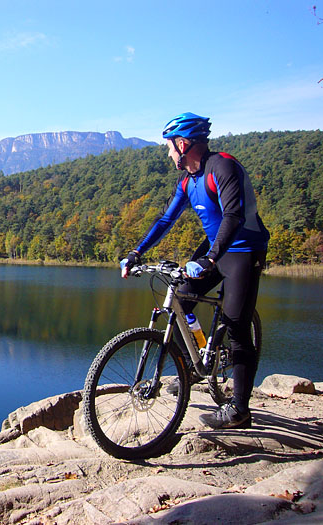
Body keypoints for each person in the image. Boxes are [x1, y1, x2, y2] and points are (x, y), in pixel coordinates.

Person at [120, 112, 270, 430]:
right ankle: (191, 363)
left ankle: (240, 410)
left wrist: (210, 259)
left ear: (184, 144)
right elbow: (165, 220)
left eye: (170, 147)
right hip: (216, 249)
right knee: (182, 298)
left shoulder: (223, 166)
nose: (168, 153)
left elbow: (233, 216)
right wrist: (136, 253)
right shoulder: (188, 181)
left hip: (243, 250)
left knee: (237, 326)